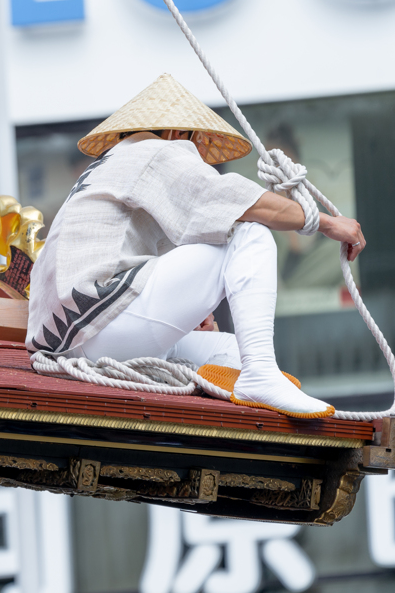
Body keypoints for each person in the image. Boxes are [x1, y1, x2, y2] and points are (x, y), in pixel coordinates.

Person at [27, 74, 366, 418]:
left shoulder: (110, 165)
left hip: (70, 343)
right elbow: (236, 203)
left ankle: (253, 376)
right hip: (104, 325)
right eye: (196, 145)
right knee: (249, 231)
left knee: (231, 351)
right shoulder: (153, 150)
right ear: (177, 134)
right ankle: (261, 375)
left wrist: (189, 309)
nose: (200, 158)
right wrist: (326, 223)